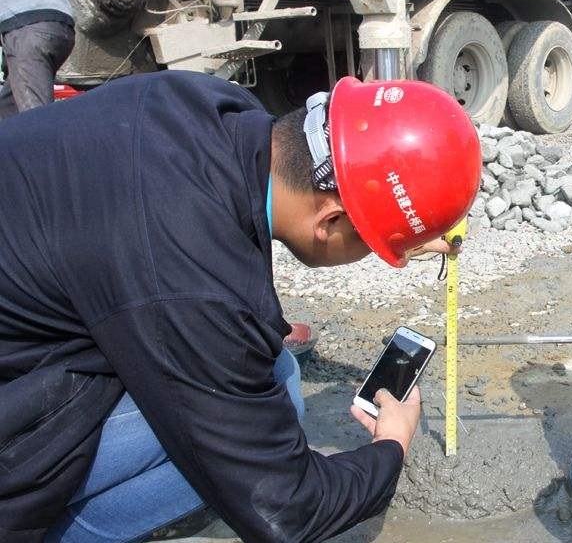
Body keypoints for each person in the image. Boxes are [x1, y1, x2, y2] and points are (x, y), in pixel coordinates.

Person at [0, 70, 482, 541]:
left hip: (32, 323)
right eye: (371, 248)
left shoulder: (211, 106)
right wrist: (390, 448)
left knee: (278, 373)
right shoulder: (190, 279)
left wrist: (394, 230)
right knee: (257, 411)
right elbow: (287, 510)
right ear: (331, 220)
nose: (373, 255)